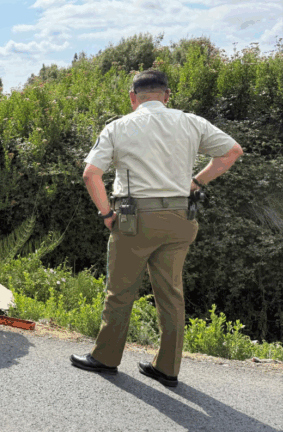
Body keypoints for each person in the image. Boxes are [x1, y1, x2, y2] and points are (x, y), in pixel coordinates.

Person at [70, 70, 243, 387]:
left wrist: (106, 213)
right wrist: (197, 181)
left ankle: (106, 358)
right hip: (181, 217)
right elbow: (232, 151)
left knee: (121, 291)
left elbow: (91, 174)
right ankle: (167, 368)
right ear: (166, 95)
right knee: (171, 294)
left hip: (134, 218)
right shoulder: (191, 122)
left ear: (133, 98)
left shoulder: (119, 127)